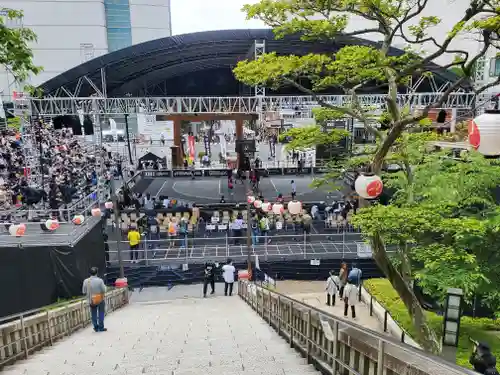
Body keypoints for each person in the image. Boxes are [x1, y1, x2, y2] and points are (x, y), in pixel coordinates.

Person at [82, 267, 107, 332]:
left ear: (90, 273)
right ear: (97, 273)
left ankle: (95, 327)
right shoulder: (100, 280)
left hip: (91, 299)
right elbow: (104, 290)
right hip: (99, 298)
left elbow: (84, 292)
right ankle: (101, 327)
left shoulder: (86, 281)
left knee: (93, 313)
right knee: (101, 313)